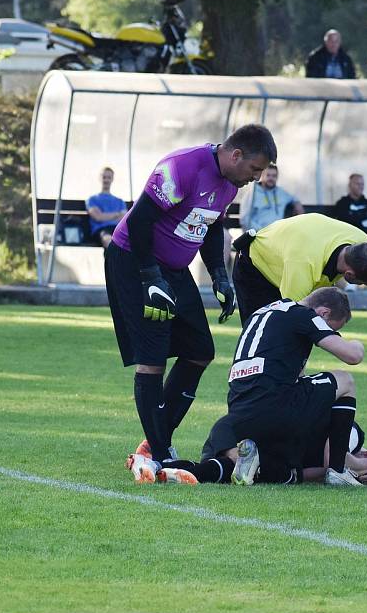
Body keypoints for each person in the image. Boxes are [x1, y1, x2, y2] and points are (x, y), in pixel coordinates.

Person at [107, 124, 276, 470]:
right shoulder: (182, 166)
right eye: (254, 170)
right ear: (236, 155)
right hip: (135, 262)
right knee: (153, 358)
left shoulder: (231, 182)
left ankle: (155, 444)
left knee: (200, 351)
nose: (256, 178)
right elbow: (139, 221)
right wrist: (150, 278)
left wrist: (219, 275)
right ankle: (160, 453)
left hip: (173, 269)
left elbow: (213, 226)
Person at [127, 287, 367, 487]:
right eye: (333, 329)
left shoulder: (263, 313)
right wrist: (358, 343)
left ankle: (157, 467)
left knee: (246, 467)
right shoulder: (304, 314)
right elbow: (352, 356)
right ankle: (338, 471)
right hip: (275, 407)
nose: (331, 334)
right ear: (323, 314)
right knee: (345, 379)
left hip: (237, 414)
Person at [231, 213, 367, 323]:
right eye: (362, 283)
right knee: (263, 337)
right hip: (255, 268)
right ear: (349, 276)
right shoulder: (303, 264)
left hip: (293, 255)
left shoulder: (361, 240)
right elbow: (291, 316)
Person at [239, 165, 304, 232]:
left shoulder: (281, 193)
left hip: (277, 233)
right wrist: (261, 231)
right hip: (259, 235)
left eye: (274, 176)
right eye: (268, 175)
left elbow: (294, 199)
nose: (271, 178)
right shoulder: (252, 194)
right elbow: (245, 220)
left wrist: (297, 204)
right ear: (262, 176)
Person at [86, 167, 128, 248]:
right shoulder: (92, 199)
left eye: (109, 177)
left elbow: (123, 219)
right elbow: (98, 217)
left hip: (118, 230)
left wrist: (104, 216)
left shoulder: (120, 201)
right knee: (109, 240)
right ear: (100, 178)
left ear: (112, 179)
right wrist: (117, 214)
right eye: (104, 177)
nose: (106, 180)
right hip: (102, 231)